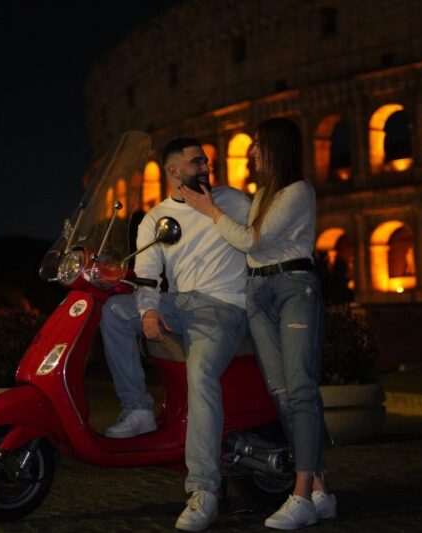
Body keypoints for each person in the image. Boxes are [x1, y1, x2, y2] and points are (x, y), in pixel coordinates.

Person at [182, 118, 336, 530]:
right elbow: (249, 240)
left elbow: (252, 239)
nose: (250, 152)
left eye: (257, 145)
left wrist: (210, 209)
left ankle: (301, 495)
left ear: (276, 148)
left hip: (293, 287)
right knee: (281, 391)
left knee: (301, 387)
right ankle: (320, 488)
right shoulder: (263, 193)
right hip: (258, 293)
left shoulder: (297, 191)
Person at [100, 137, 250, 531]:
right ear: (173, 172)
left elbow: (261, 242)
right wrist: (148, 308)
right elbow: (148, 274)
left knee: (200, 374)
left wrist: (213, 210)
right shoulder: (155, 218)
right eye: (196, 161)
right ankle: (137, 408)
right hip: (180, 302)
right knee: (115, 311)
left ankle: (204, 490)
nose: (205, 166)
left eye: (206, 160)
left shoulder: (233, 201)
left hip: (224, 307)